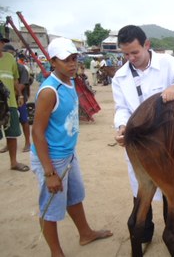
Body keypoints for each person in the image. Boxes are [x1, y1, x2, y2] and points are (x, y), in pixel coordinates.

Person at [111, 25, 174, 243]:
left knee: (171, 190)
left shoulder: (167, 63)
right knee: (142, 192)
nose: (130, 58)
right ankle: (145, 235)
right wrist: (121, 126)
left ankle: (171, 233)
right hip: (140, 144)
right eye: (125, 54)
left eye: (135, 52)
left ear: (147, 45)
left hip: (169, 141)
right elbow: (121, 108)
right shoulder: (120, 77)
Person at [30, 37, 112, 256]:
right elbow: (37, 132)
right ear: (53, 61)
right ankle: (56, 252)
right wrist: (49, 172)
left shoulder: (70, 82)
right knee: (51, 207)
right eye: (67, 60)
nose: (73, 63)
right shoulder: (50, 91)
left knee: (75, 195)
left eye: (75, 58)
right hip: (52, 158)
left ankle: (85, 233)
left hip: (68, 154)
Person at [0, 33, 29, 172]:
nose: (1, 44)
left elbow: (15, 80)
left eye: (2, 42)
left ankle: (13, 162)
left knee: (12, 133)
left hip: (10, 102)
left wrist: (20, 96)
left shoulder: (10, 58)